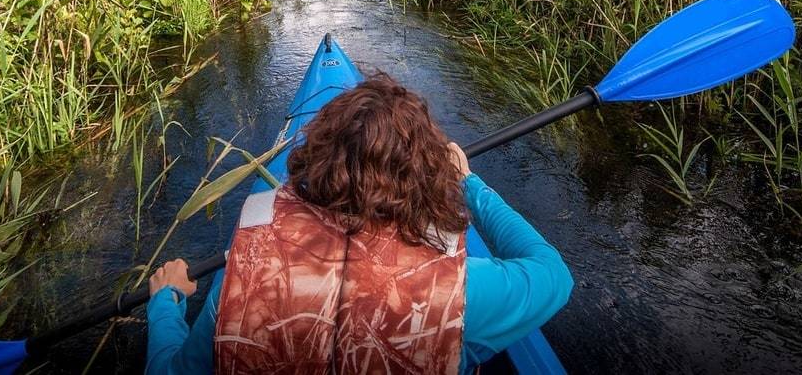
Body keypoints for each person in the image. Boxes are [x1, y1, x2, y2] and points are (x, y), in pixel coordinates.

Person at [146, 73, 573, 374]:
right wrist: (470, 184)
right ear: (426, 178)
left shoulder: (241, 284)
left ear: (317, 162)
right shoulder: (462, 294)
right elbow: (552, 272)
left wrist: (166, 302)